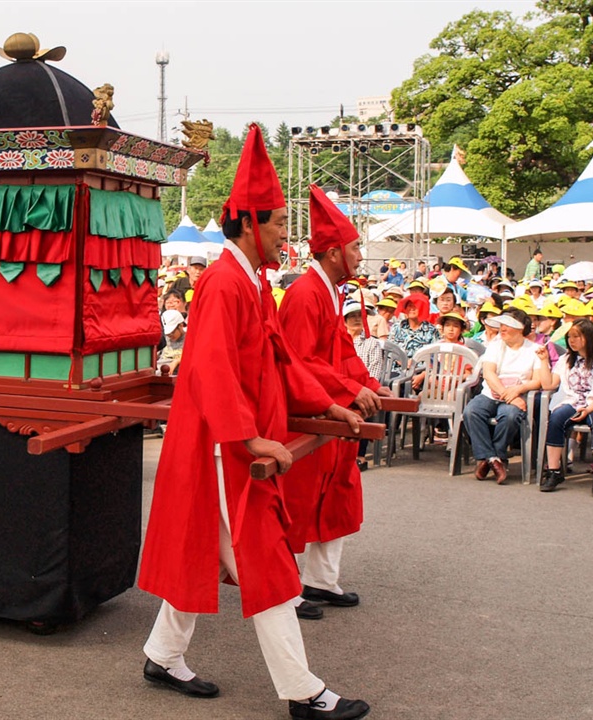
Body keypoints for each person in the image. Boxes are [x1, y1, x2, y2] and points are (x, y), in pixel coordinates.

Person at [137, 126, 369, 720]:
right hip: (226, 447)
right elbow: (213, 370)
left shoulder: (252, 282)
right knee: (266, 566)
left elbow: (284, 363)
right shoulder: (223, 282)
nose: (286, 236)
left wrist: (330, 405)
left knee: (212, 551)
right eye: (277, 224)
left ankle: (163, 654)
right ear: (246, 223)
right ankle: (302, 692)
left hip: (229, 444)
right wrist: (247, 437)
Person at [277, 185, 390, 623]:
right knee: (297, 500)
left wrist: (369, 383)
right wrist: (347, 391)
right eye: (355, 246)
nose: (360, 255)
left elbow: (343, 350)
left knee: (337, 494)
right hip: (311, 413)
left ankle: (321, 580)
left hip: (333, 409)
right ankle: (286, 588)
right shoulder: (306, 294)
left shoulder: (328, 290)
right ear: (333, 253)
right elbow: (298, 360)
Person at [535, 320, 593, 498]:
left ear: (589, 337)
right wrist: (543, 361)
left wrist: (588, 409)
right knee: (556, 418)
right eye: (569, 337)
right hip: (573, 401)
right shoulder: (565, 360)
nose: (571, 341)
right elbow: (549, 385)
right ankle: (554, 471)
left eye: (576, 336)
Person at [463, 309, 541, 484]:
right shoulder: (496, 346)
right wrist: (509, 396)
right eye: (502, 325)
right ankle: (494, 459)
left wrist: (518, 390)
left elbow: (537, 381)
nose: (502, 329)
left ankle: (490, 457)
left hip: (519, 393)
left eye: (507, 325)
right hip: (492, 393)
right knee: (471, 412)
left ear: (520, 328)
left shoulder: (534, 350)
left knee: (510, 416)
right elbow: (489, 374)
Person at [157, 308, 186, 375]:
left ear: (181, 326)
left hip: (175, 375)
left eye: (172, 332)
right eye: (167, 333)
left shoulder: (189, 339)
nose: (169, 336)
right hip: (159, 371)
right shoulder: (164, 339)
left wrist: (176, 361)